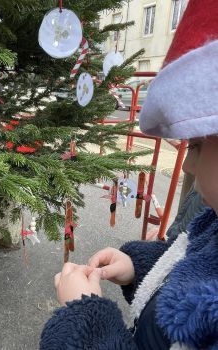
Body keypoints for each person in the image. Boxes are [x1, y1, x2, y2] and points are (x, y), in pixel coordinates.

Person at [39, 1, 218, 349]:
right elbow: (188, 268)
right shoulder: (212, 225)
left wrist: (85, 316)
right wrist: (137, 266)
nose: (187, 166)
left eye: (196, 146)